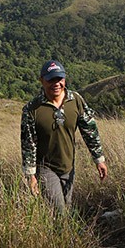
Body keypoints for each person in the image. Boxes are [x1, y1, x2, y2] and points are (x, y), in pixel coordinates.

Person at [20, 59, 108, 212]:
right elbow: (28, 143)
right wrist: (31, 175)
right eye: (51, 80)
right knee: (58, 209)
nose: (56, 83)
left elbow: (89, 131)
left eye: (59, 79)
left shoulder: (75, 100)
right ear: (42, 80)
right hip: (45, 167)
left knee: (66, 206)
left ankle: (60, 228)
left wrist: (99, 159)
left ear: (65, 79)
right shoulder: (32, 109)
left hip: (68, 166)